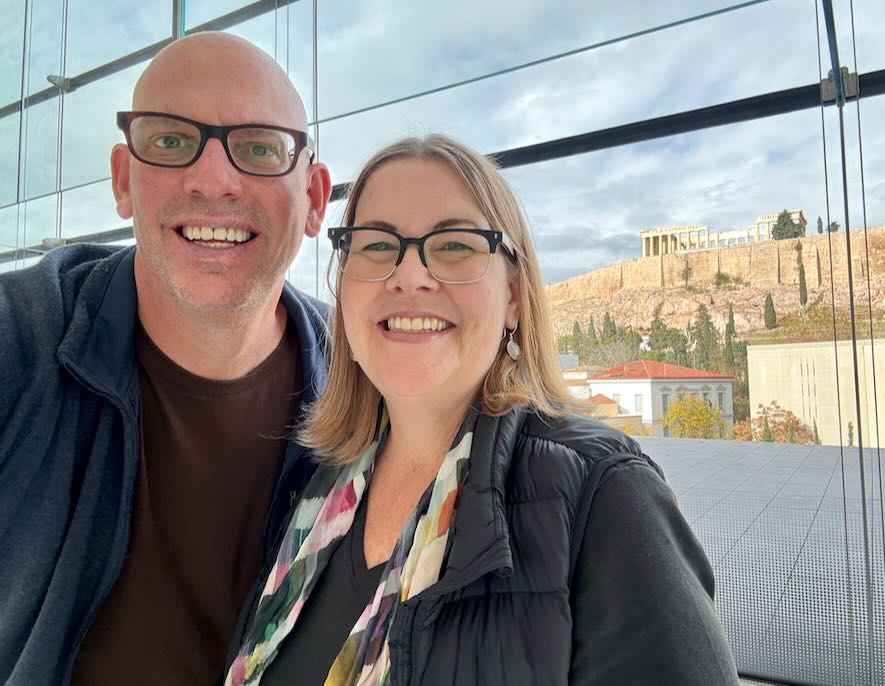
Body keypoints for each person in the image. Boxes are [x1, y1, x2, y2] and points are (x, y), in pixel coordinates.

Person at [226, 135, 739, 685]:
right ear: (344, 285)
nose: (411, 275)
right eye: (376, 245)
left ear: (513, 296)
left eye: (454, 246)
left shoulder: (603, 499)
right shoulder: (312, 489)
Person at [0, 33, 332, 685]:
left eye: (260, 147)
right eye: (171, 141)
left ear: (316, 199)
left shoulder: (369, 374)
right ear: (124, 182)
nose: (213, 180)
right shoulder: (23, 338)